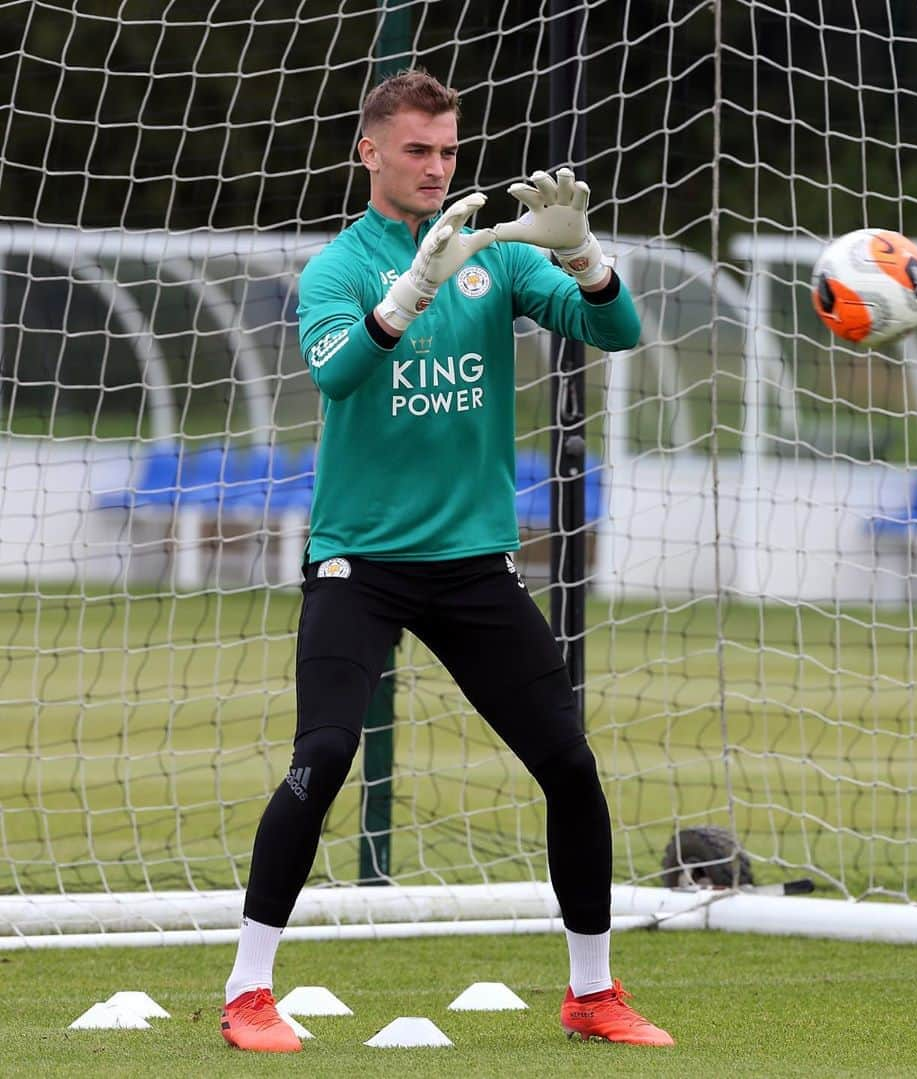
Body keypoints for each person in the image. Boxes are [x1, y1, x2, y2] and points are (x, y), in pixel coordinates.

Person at [220, 68, 673, 1052]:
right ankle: (248, 988)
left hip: (474, 563)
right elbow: (338, 373)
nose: (436, 167)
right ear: (369, 151)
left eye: (447, 150)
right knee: (326, 752)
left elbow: (618, 329)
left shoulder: (496, 260)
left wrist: (588, 259)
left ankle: (592, 992)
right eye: (416, 149)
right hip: (360, 559)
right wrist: (412, 288)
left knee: (569, 762)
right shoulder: (341, 267)